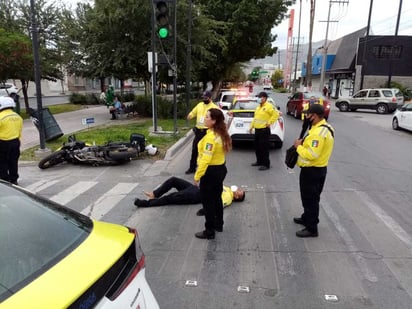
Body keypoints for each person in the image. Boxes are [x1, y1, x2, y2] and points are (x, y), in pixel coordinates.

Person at [293, 104, 334, 238]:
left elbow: (312, 154)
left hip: (313, 171)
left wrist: (298, 147)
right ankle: (306, 217)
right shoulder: (322, 127)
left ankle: (311, 228)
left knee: (311, 199)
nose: (306, 116)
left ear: (314, 116)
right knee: (308, 197)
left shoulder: (318, 133)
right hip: (315, 170)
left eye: (308, 114)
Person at [194, 108, 231, 239]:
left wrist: (197, 176)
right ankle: (218, 224)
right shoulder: (220, 133)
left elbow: (206, 159)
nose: (205, 118)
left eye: (207, 117)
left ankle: (209, 231)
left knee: (208, 202)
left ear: (214, 121)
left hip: (210, 172)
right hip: (220, 169)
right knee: (217, 198)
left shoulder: (211, 138)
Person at [133, 176, 245, 211]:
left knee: (170, 198)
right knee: (174, 180)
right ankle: (155, 194)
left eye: (240, 191)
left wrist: (205, 211)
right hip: (196, 188)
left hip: (196, 196)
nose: (239, 189)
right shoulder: (229, 189)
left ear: (237, 196)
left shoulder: (229, 197)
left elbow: (219, 205)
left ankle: (144, 203)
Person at [185, 90, 219, 174]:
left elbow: (218, 119)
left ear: (210, 98)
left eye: (206, 98)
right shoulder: (199, 105)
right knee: (195, 150)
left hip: (207, 132)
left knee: (206, 151)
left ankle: (206, 167)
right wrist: (190, 116)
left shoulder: (214, 107)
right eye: (203, 97)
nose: (204, 99)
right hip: (198, 132)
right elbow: (193, 112)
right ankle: (192, 167)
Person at [249, 91, 279, 170]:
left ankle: (266, 164)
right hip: (257, 130)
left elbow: (276, 114)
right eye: (259, 97)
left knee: (264, 148)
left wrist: (270, 122)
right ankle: (259, 161)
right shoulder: (258, 107)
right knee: (257, 147)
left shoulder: (269, 106)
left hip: (264, 130)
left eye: (261, 97)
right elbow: (256, 118)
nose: (259, 98)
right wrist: (251, 126)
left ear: (265, 98)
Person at [0, 97, 23, 185]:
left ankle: (4, 181)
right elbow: (19, 130)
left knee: (2, 163)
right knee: (13, 162)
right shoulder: (18, 117)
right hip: (15, 142)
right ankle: (14, 179)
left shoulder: (0, 117)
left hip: (2, 143)